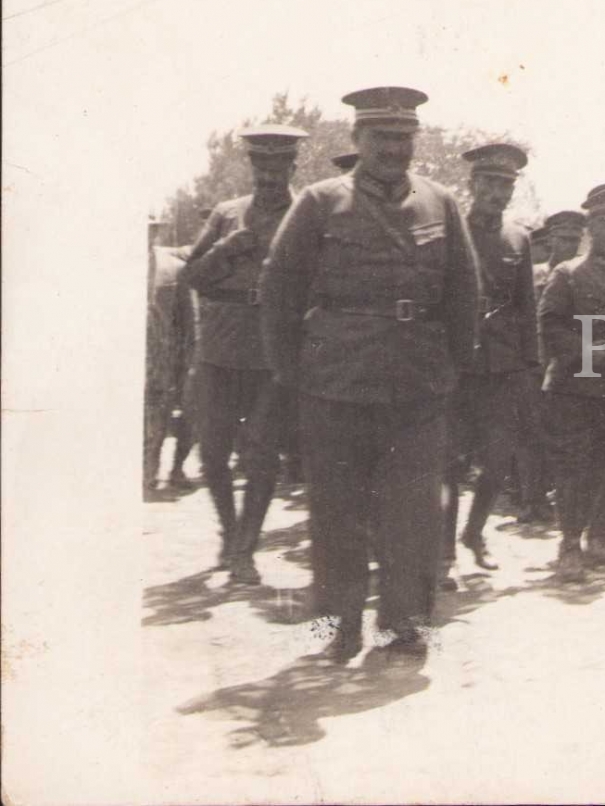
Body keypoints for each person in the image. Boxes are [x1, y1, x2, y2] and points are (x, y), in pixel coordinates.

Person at [261, 86, 480, 662]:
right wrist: (292, 376)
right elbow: (279, 293)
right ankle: (339, 625)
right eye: (382, 137)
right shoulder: (320, 202)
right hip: (337, 381)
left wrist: (455, 373)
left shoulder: (440, 203)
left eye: (404, 138)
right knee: (337, 510)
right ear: (357, 138)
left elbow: (464, 295)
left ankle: (403, 625)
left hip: (419, 384)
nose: (394, 149)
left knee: (415, 512)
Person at [181, 125, 307, 583]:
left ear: (292, 167)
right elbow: (193, 276)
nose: (269, 176)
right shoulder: (226, 213)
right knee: (213, 454)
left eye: (278, 166)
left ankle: (245, 549)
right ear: (252, 166)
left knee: (262, 454)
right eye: (261, 166)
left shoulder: (306, 214)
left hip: (273, 351)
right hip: (220, 347)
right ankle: (230, 534)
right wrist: (225, 249)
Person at [440, 143, 541, 585]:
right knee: (449, 465)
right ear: (473, 184)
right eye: (490, 183)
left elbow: (526, 307)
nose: (498, 193)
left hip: (502, 367)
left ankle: (474, 533)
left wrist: (530, 366)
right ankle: (444, 553)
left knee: (498, 463)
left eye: (506, 185)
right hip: (456, 365)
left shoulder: (519, 238)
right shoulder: (450, 231)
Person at [538, 184, 605, 581]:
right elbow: (550, 327)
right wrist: (595, 354)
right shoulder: (568, 275)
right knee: (575, 469)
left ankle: (601, 536)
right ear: (592, 228)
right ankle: (570, 544)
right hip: (575, 390)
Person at [144, 220, 196, 494]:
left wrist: (187, 361)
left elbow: (187, 322)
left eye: (150, 228)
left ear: (157, 231)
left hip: (160, 360)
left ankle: (150, 472)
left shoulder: (174, 269)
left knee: (159, 415)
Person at [533, 209, 584, 298]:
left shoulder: (586, 275)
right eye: (563, 239)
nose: (569, 246)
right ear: (550, 240)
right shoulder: (534, 273)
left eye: (574, 240)